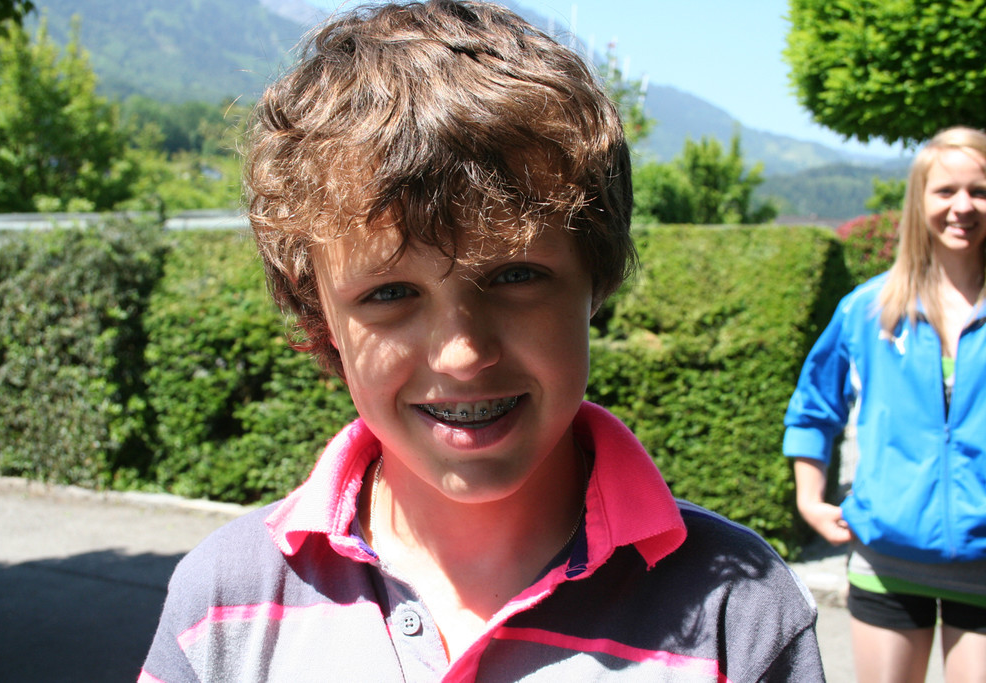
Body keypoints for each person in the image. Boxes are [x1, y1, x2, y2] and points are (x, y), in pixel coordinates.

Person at [140, 2, 823, 680]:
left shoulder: (740, 615)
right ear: (318, 312)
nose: (462, 354)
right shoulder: (222, 604)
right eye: (389, 293)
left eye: (516, 276)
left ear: (598, 279)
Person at [784, 126, 986, 682]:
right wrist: (809, 499)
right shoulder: (868, 309)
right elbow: (814, 406)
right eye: (946, 191)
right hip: (886, 560)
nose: (963, 206)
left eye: (979, 191)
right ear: (920, 200)